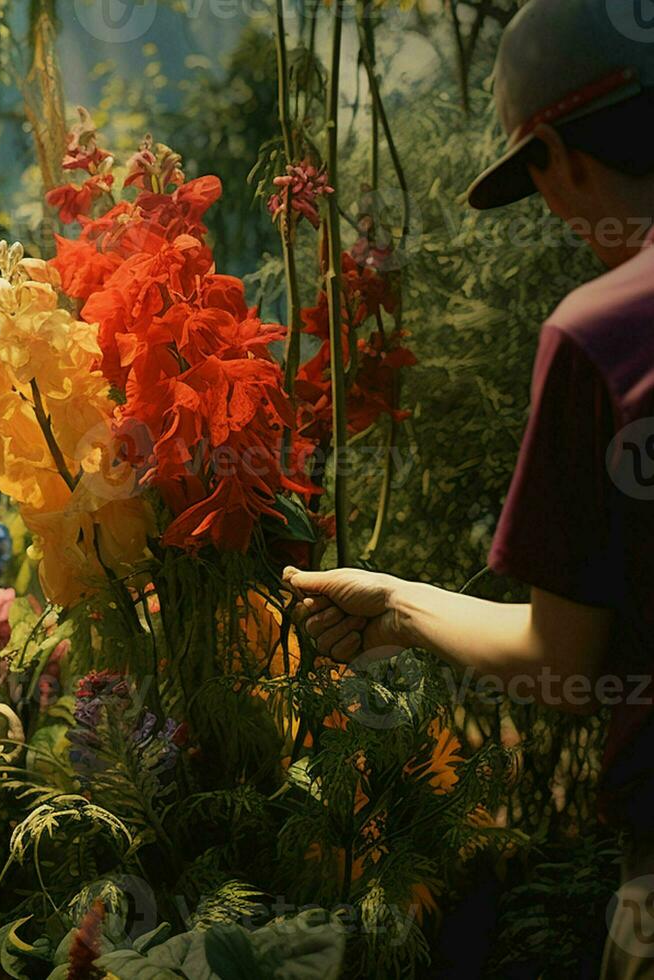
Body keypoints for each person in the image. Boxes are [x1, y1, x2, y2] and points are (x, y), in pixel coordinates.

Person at [280, 0, 654, 974]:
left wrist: (396, 602)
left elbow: (564, 660)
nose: (564, 220)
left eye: (540, 182)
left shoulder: (606, 333)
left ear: (559, 155)